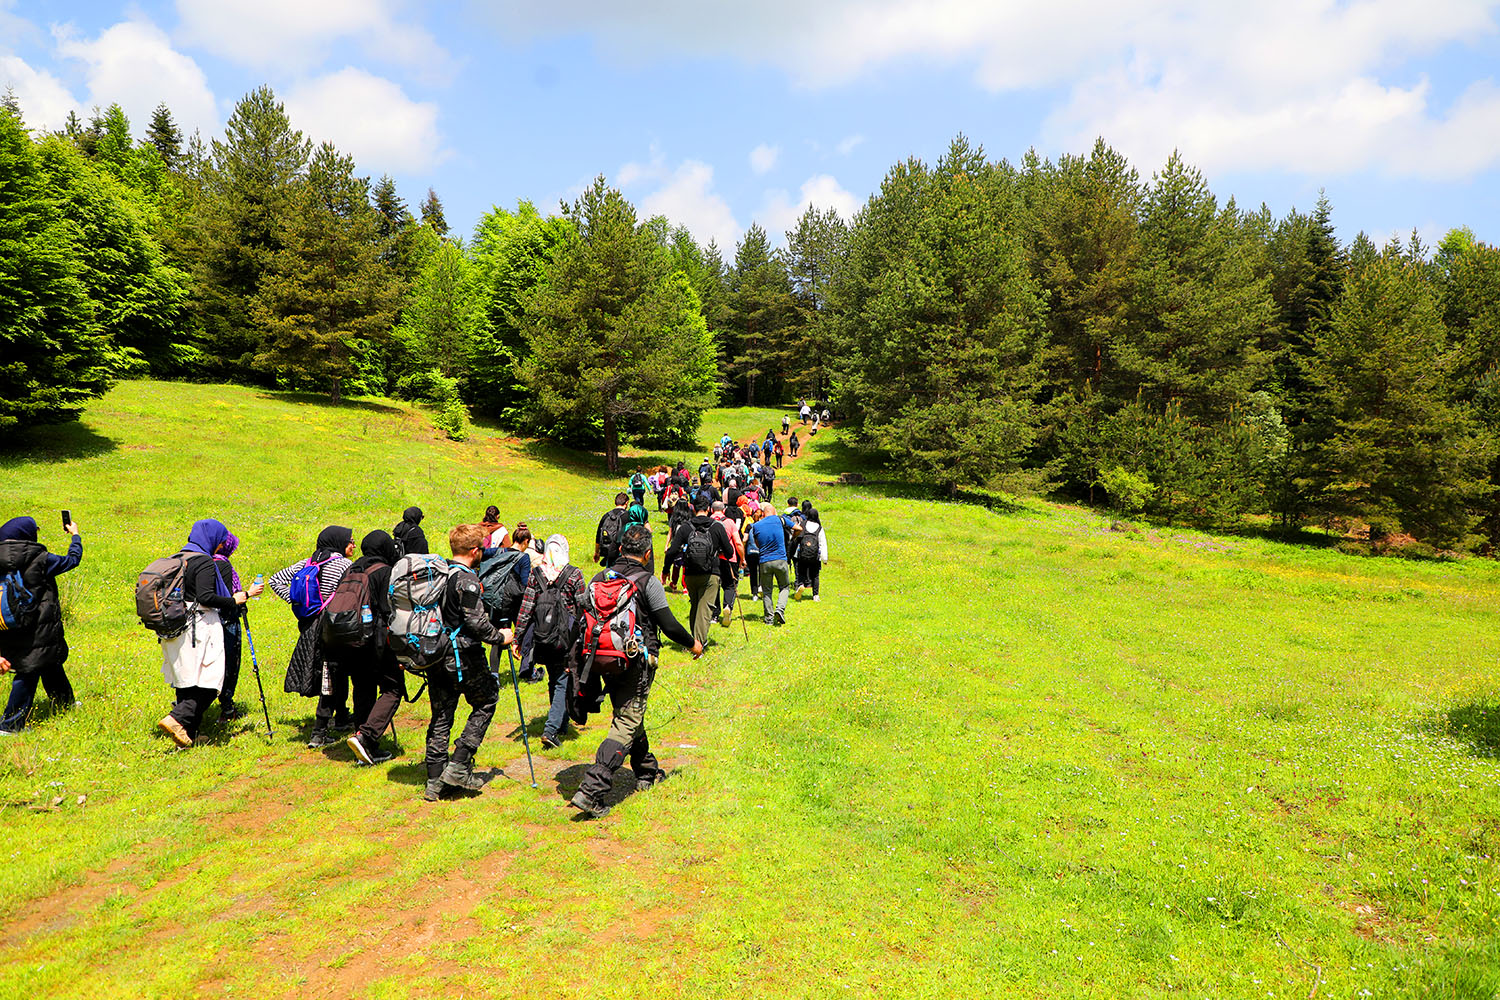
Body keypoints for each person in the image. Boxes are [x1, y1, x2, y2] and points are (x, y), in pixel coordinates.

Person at [571, 525, 700, 819]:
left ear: (618, 549)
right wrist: (693, 644)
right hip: (635, 661)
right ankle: (592, 788)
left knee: (628, 712)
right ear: (647, 553)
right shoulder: (647, 581)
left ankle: (647, 771)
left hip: (600, 659)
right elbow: (668, 626)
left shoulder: (599, 578)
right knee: (627, 719)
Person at [156, 520, 263, 747]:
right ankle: (177, 718)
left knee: (187, 681)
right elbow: (205, 596)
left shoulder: (178, 558)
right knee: (211, 681)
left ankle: (188, 733)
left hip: (176, 626)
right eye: (221, 538)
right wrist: (234, 599)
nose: (222, 543)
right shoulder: (203, 561)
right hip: (200, 627)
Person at [423, 524, 505, 802]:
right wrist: (500, 637)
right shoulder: (467, 580)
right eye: (481, 548)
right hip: (463, 655)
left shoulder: (439, 573)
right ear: (474, 551)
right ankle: (459, 763)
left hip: (435, 653)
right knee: (487, 700)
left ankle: (434, 780)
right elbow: (476, 622)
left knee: (442, 714)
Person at [270, 525, 356, 747]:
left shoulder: (310, 562)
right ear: (339, 542)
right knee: (331, 672)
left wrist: (298, 602)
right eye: (350, 541)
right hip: (331, 626)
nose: (353, 545)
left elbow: (275, 580)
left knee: (334, 670)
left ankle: (342, 716)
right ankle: (319, 731)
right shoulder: (344, 565)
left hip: (309, 625)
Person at [0, 516, 83, 734]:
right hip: (37, 626)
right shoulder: (39, 557)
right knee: (29, 670)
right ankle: (10, 725)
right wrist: (75, 536)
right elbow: (72, 560)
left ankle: (65, 703)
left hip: (9, 624)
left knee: (50, 661)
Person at [506, 533, 585, 750]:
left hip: (542, 637)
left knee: (554, 678)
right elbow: (582, 609)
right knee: (562, 680)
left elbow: (526, 608)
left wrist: (518, 638)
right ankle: (551, 729)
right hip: (566, 638)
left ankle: (561, 723)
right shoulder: (574, 574)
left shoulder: (536, 573)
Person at [344, 530, 404, 765]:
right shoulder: (385, 572)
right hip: (377, 641)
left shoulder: (352, 569)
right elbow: (391, 611)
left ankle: (363, 745)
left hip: (350, 640)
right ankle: (367, 738)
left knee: (363, 688)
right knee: (393, 688)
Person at [665, 494, 735, 647]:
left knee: (695, 606)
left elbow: (672, 551)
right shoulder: (717, 527)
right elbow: (730, 552)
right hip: (711, 573)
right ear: (709, 509)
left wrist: (665, 571)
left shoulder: (686, 527)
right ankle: (698, 644)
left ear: (694, 509)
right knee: (705, 609)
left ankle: (693, 640)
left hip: (690, 573)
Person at [211, 532, 248, 721]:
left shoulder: (207, 561)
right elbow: (228, 598)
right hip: (227, 621)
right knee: (229, 664)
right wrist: (247, 594)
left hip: (209, 620)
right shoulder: (223, 565)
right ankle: (226, 709)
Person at [750, 502, 800, 626]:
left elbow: (757, 544)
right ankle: (780, 609)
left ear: (763, 513)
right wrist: (792, 538)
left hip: (764, 561)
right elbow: (799, 528)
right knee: (784, 587)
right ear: (774, 512)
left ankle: (769, 619)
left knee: (767, 591)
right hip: (780, 559)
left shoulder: (756, 526)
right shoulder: (780, 520)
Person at [794, 506, 828, 602]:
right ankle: (815, 595)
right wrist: (824, 559)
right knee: (815, 575)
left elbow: (798, 538)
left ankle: (800, 585)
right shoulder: (819, 528)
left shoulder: (803, 524)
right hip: (815, 557)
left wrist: (795, 554)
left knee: (801, 572)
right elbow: (822, 544)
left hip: (803, 554)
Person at [594, 493, 631, 567]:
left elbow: (598, 535)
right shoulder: (628, 516)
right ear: (626, 503)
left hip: (608, 550)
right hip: (622, 553)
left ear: (615, 502)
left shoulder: (606, 516)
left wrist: (597, 552)